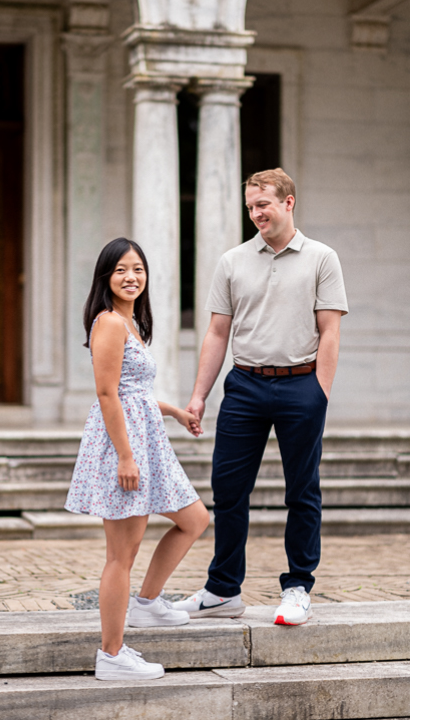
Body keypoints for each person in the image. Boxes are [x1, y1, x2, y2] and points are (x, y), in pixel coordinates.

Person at [173, 168, 347, 626]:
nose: (256, 214)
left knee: (302, 491)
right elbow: (216, 332)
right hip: (245, 385)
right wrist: (198, 396)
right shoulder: (232, 261)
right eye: (250, 207)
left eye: (263, 205)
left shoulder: (322, 258)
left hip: (300, 385)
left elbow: (330, 330)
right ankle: (223, 590)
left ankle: (297, 588)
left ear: (288, 202)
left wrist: (319, 393)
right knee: (228, 491)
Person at [65, 238, 210, 681]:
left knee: (194, 519)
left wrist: (175, 411)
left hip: (146, 439)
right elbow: (107, 394)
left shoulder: (130, 323)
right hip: (124, 446)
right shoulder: (108, 323)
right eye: (121, 270)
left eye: (138, 270)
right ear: (106, 278)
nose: (131, 277)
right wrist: (126, 458)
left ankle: (146, 604)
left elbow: (134, 392)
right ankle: (111, 654)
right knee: (120, 555)